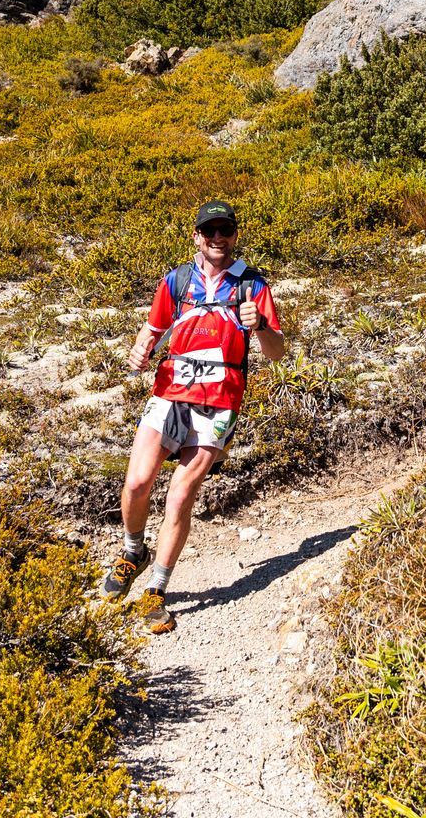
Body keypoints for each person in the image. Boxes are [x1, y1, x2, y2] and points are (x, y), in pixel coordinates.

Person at [98, 199, 286, 633]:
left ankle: (156, 591)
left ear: (235, 236)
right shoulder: (177, 281)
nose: (219, 239)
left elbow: (276, 354)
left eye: (226, 231)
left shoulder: (253, 286)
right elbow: (154, 326)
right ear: (197, 237)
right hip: (169, 390)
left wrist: (259, 326)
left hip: (221, 400)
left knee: (180, 495)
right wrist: (139, 348)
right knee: (137, 481)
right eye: (210, 232)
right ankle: (132, 552)